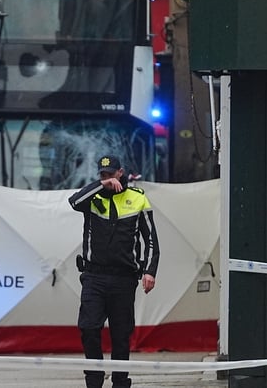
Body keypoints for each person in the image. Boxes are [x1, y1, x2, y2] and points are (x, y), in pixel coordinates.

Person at [68, 155, 160, 388]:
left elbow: (150, 240)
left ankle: (120, 381)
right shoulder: (93, 195)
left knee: (120, 335)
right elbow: (74, 202)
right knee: (89, 328)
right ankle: (94, 381)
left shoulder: (138, 198)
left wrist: (150, 271)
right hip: (94, 276)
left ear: (121, 172)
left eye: (110, 174)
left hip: (123, 278)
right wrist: (101, 186)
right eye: (102, 174)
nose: (107, 178)